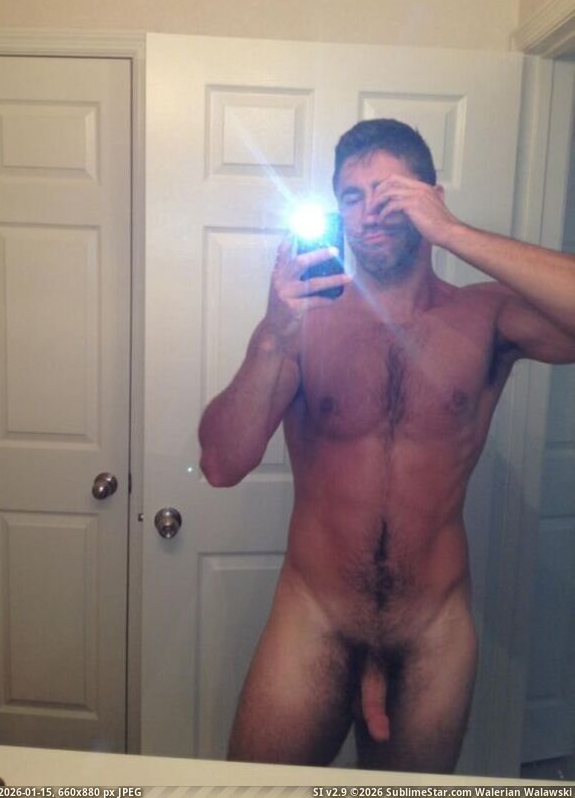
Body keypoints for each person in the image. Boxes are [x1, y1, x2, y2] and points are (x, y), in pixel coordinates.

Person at [197, 119, 575, 773]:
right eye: (351, 196)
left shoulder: (486, 315)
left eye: (391, 193)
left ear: (431, 197)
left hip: (432, 630)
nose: (368, 212)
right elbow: (220, 465)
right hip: (313, 619)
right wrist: (272, 336)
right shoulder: (302, 322)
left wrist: (453, 232)